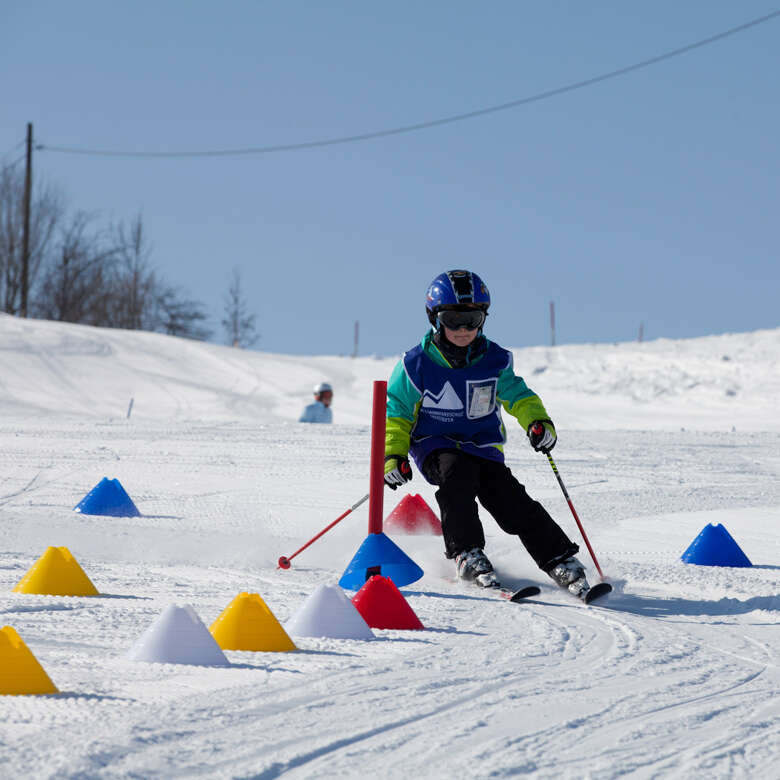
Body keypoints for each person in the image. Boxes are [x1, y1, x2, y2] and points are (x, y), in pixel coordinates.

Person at [383, 269, 590, 597]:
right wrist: (393, 455)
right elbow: (397, 413)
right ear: (435, 319)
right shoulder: (416, 364)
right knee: (456, 475)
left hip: (482, 446)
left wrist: (537, 422)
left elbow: (519, 396)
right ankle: (466, 553)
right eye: (453, 319)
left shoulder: (494, 360)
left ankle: (558, 559)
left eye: (473, 319)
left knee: (510, 499)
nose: (464, 329)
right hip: (435, 445)